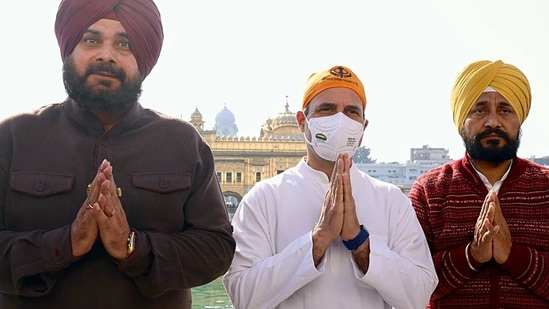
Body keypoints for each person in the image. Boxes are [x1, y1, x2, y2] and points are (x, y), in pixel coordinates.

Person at [0, 0, 236, 308]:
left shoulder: (182, 142)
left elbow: (216, 249)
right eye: (91, 39)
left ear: (143, 58)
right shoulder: (15, 137)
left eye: (124, 44)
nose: (106, 55)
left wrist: (133, 248)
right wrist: (64, 244)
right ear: (70, 47)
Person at [223, 65, 438, 308]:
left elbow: (420, 295)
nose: (340, 120)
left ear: (363, 128)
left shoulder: (390, 200)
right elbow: (243, 296)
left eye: (351, 112)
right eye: (327, 109)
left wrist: (361, 244)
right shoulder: (264, 198)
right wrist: (318, 240)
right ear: (302, 122)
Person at [408, 59, 549, 308]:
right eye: (480, 110)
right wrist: (471, 255)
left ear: (520, 119)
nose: (493, 122)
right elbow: (410, 283)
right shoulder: (429, 192)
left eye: (505, 110)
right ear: (462, 119)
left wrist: (511, 256)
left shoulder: (545, 188)